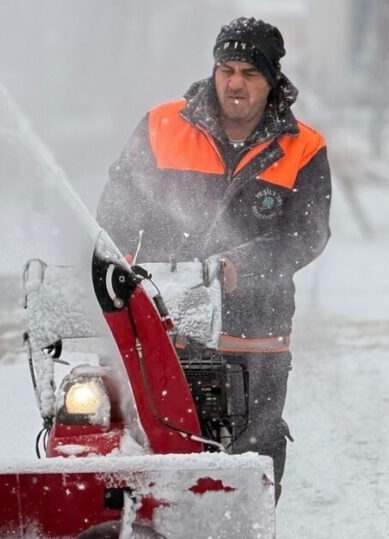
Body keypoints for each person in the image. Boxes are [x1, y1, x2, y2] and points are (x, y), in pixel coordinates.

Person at [97, 17, 331, 500]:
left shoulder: (303, 147)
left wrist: (241, 264)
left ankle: (243, 532)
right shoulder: (162, 126)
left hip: (255, 329)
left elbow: (306, 234)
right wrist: (120, 265)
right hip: (165, 323)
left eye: (249, 73)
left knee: (253, 449)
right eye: (226, 69)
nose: (235, 83)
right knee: (154, 437)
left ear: (272, 79)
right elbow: (116, 211)